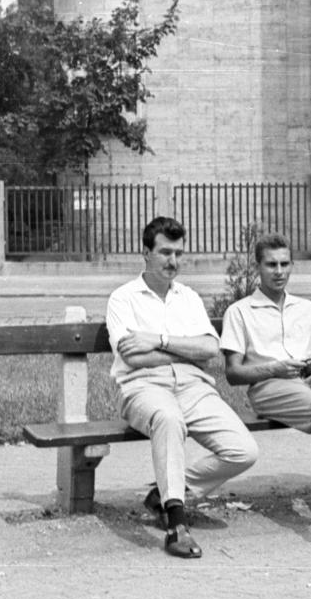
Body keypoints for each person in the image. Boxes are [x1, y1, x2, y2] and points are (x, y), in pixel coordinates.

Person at [107, 217, 258, 558]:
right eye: (164, 252)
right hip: (142, 387)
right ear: (145, 253)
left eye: (178, 253)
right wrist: (182, 352)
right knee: (169, 419)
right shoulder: (123, 299)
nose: (172, 261)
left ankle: (165, 492)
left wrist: (157, 340)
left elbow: (209, 349)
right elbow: (132, 358)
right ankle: (176, 522)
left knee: (244, 450)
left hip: (193, 386)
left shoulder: (187, 297)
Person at [220, 234, 311, 534]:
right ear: (257, 267)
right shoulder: (240, 312)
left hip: (309, 379)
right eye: (271, 264)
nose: (279, 271)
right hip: (268, 386)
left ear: (292, 265)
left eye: (285, 264)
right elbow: (233, 374)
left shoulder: (307, 309)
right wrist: (274, 367)